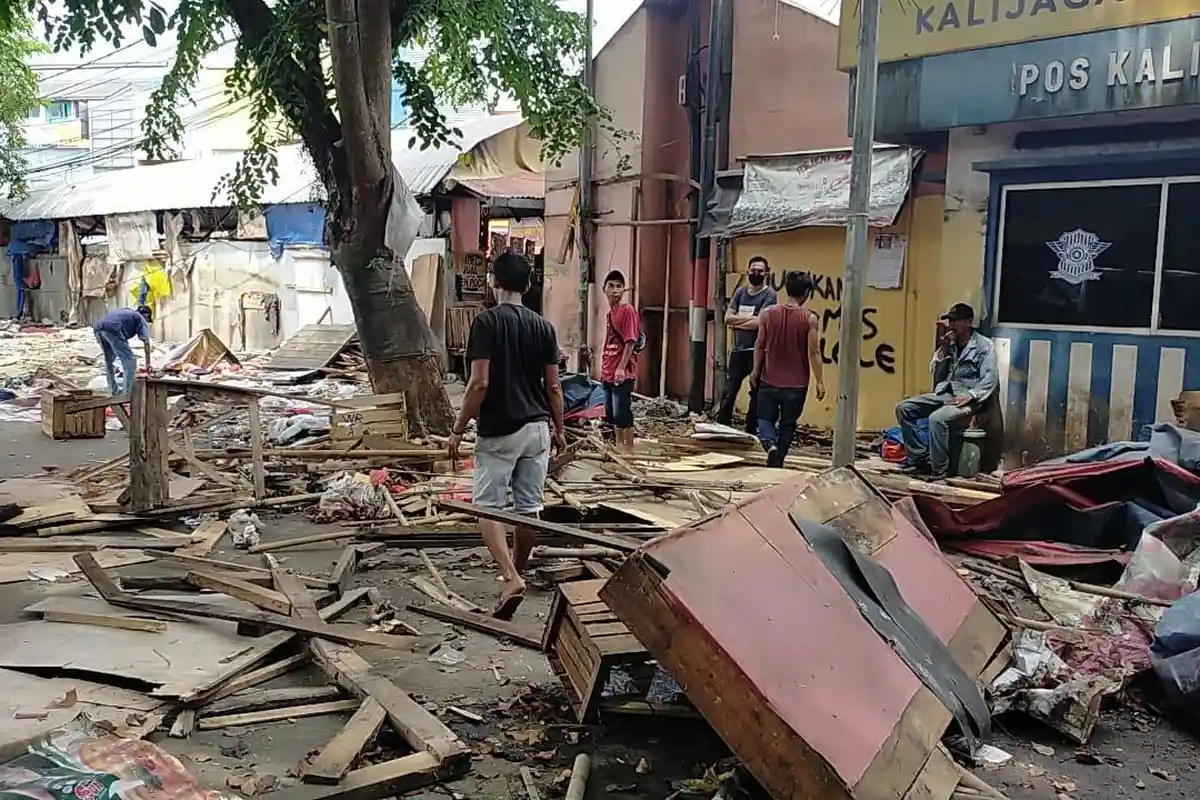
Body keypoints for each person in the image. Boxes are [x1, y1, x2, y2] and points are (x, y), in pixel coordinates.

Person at [448, 251, 566, 619]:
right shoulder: (544, 327)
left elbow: (479, 382)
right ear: (528, 286)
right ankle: (516, 569)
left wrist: (457, 428)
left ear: (494, 283)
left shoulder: (485, 323)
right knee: (529, 507)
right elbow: (554, 386)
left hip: (500, 429)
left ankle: (511, 576)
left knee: (487, 506)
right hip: (537, 429)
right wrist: (559, 428)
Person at [895, 303, 999, 481]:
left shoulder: (983, 346)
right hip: (945, 393)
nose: (951, 325)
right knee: (904, 408)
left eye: (955, 321)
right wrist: (943, 349)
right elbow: (937, 375)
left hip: (968, 399)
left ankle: (939, 470)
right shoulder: (949, 344)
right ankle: (918, 459)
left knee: (937, 418)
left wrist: (970, 396)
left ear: (968, 322)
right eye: (949, 321)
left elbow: (990, 379)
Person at [750, 271, 825, 467]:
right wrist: (819, 381)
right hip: (797, 384)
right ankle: (779, 459)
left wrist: (755, 371)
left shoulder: (767, 314)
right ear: (807, 292)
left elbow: (759, 345)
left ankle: (770, 446)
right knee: (788, 424)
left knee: (764, 419)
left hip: (769, 379)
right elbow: (814, 353)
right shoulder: (810, 319)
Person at [717, 256, 777, 433]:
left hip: (758, 351)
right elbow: (727, 318)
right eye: (753, 270)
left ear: (766, 273)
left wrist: (738, 321)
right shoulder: (740, 292)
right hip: (738, 350)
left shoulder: (770, 295)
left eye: (760, 270)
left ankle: (751, 429)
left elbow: (761, 323)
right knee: (729, 390)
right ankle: (722, 426)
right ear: (748, 270)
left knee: (756, 391)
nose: (756, 273)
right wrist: (749, 320)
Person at [601, 270, 641, 454]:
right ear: (604, 289)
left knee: (621, 411)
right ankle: (618, 446)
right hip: (608, 370)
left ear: (624, 290)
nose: (615, 290)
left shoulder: (627, 311)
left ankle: (629, 448)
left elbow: (630, 340)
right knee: (610, 412)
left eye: (619, 286)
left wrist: (621, 367)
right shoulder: (610, 315)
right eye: (611, 286)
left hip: (622, 372)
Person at [93, 305, 155, 396]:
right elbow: (146, 341)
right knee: (130, 360)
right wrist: (148, 364)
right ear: (147, 316)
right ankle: (127, 394)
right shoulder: (141, 319)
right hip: (113, 329)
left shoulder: (127, 311)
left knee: (109, 361)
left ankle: (113, 391)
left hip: (98, 327)